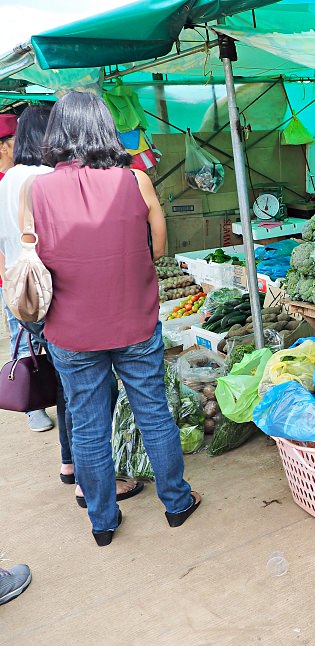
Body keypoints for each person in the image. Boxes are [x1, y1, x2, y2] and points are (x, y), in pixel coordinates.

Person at [30, 91, 200, 546]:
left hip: (71, 328)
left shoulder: (38, 189)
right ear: (106, 127)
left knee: (87, 426)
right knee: (154, 414)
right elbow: (158, 249)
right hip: (134, 321)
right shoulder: (136, 180)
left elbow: (33, 258)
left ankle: (103, 522)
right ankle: (176, 503)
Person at [0, 105, 144, 508]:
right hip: (66, 299)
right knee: (89, 403)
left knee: (67, 389)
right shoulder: (51, 181)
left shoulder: (7, 181)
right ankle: (92, 483)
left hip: (23, 293)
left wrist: (14, 286)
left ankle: (72, 470)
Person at [0, 110, 55, 433]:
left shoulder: (9, 181)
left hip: (20, 277)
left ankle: (40, 398)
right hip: (31, 277)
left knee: (28, 337)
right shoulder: (44, 176)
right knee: (29, 343)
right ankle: (33, 402)